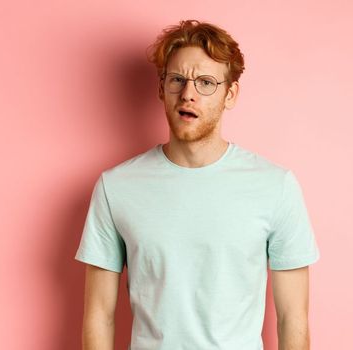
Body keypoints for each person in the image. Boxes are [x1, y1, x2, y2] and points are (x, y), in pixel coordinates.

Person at [75, 19, 320, 350]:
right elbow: (99, 316)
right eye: (177, 80)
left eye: (206, 82)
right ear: (161, 89)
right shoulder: (115, 187)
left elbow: (293, 319)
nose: (188, 94)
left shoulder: (275, 186)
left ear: (229, 94)